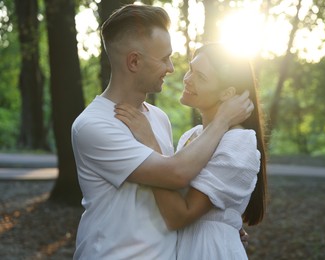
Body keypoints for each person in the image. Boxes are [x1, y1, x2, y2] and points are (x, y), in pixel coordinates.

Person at [71, 4, 253, 260]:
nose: (172, 68)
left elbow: (177, 190)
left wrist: (219, 225)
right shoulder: (94, 125)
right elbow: (174, 174)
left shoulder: (158, 118)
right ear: (134, 61)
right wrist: (223, 119)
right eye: (164, 58)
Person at [115, 43, 268, 259]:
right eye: (191, 69)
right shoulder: (191, 136)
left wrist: (149, 142)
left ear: (227, 93)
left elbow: (181, 213)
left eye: (201, 77)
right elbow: (171, 196)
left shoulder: (238, 141)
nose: (187, 78)